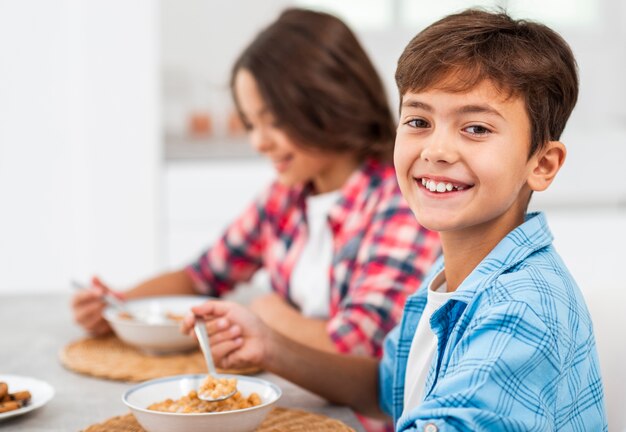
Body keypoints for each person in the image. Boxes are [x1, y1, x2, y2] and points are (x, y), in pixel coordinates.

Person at [182, 9, 608, 431]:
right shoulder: (447, 278)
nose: (437, 150)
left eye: (476, 128)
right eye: (419, 121)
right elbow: (386, 388)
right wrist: (270, 347)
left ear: (543, 164)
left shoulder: (521, 309)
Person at [72, 6, 438, 421]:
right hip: (296, 401)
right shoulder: (286, 197)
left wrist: (268, 315)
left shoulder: (398, 203)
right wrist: (119, 308)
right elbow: (201, 276)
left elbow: (354, 351)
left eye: (273, 120)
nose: (259, 142)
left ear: (331, 100)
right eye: (250, 123)